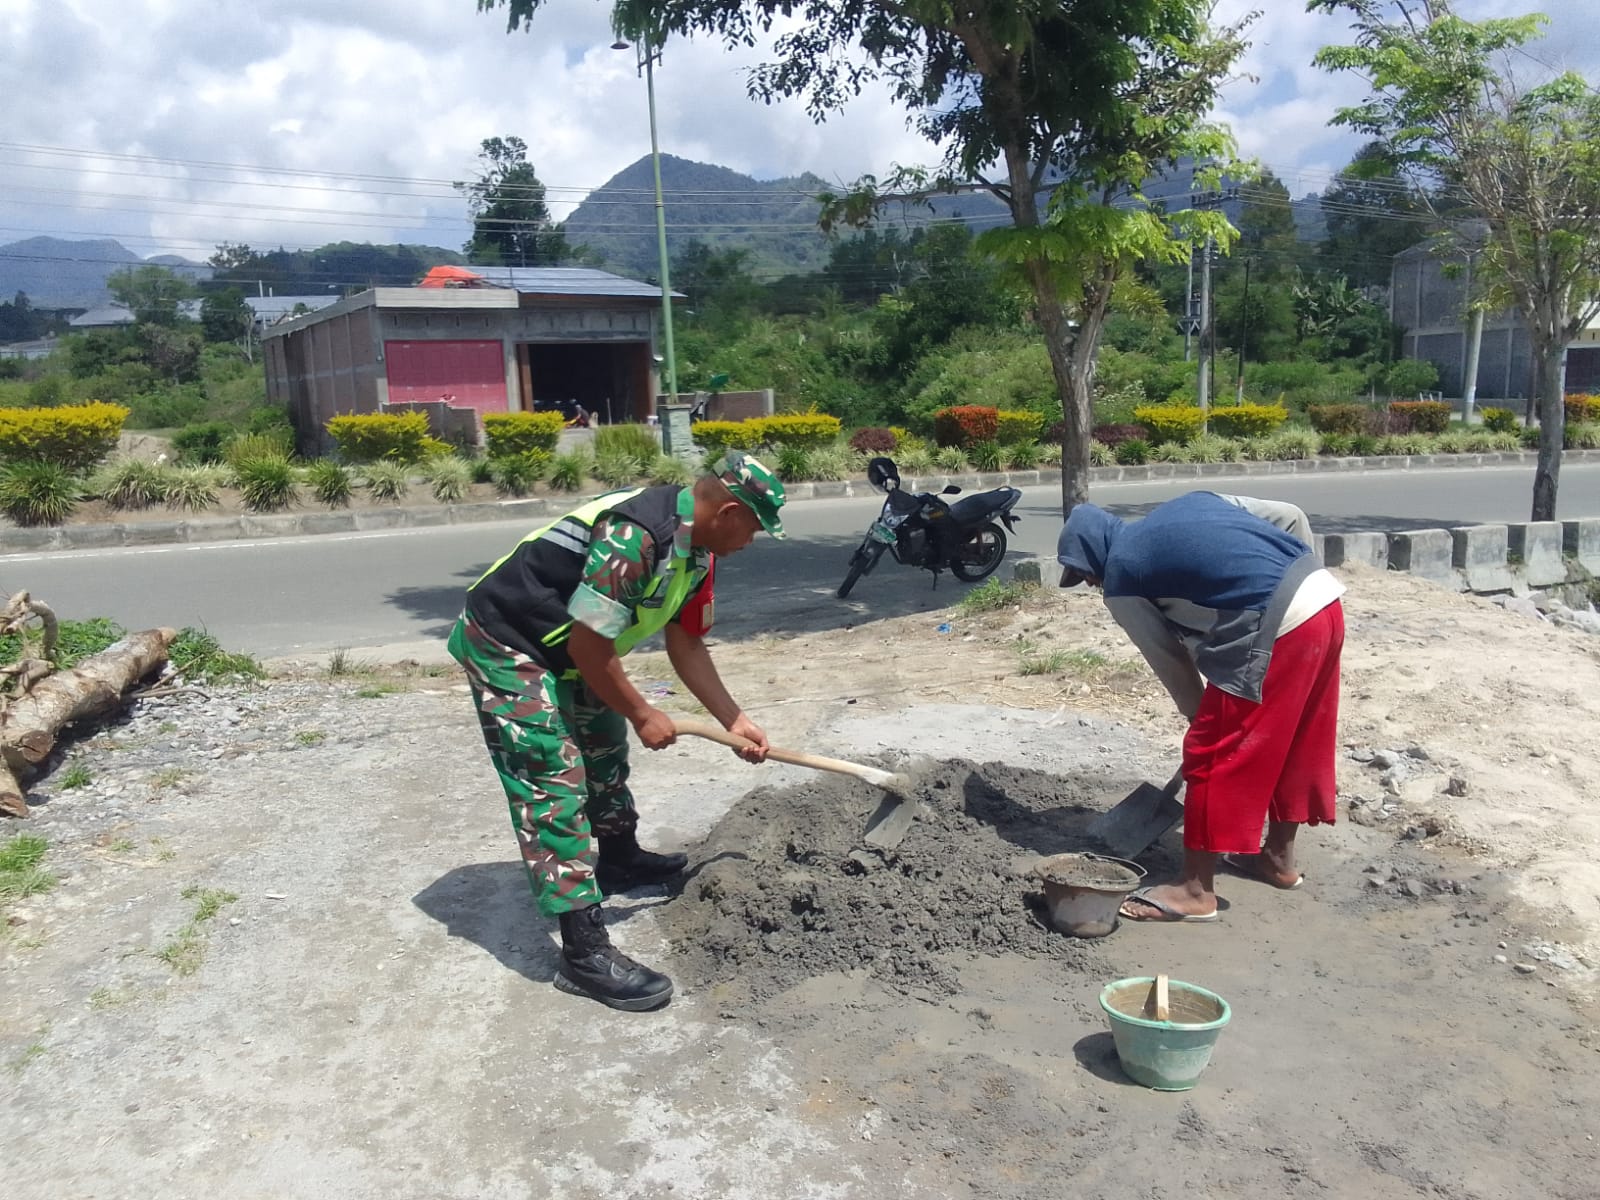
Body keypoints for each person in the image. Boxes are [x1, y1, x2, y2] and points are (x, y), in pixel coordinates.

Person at [447, 451, 787, 1009]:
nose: (752, 540)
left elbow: (686, 641)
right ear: (727, 511)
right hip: (508, 642)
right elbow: (588, 644)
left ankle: (619, 858)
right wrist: (643, 711)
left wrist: (735, 719)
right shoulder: (635, 538)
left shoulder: (697, 552)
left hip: (570, 647)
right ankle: (583, 953)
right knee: (550, 775)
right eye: (754, 527)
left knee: (603, 745)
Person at [1055, 491, 1345, 924]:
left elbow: (1167, 658)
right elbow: (1291, 516)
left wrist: (1200, 720)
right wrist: (1296, 578)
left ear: (1095, 554)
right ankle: (1277, 860)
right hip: (1323, 601)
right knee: (1296, 741)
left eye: (1084, 575)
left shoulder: (1122, 575)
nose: (1091, 584)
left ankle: (1194, 891)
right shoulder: (1194, 503)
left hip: (1275, 622)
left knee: (1213, 751)